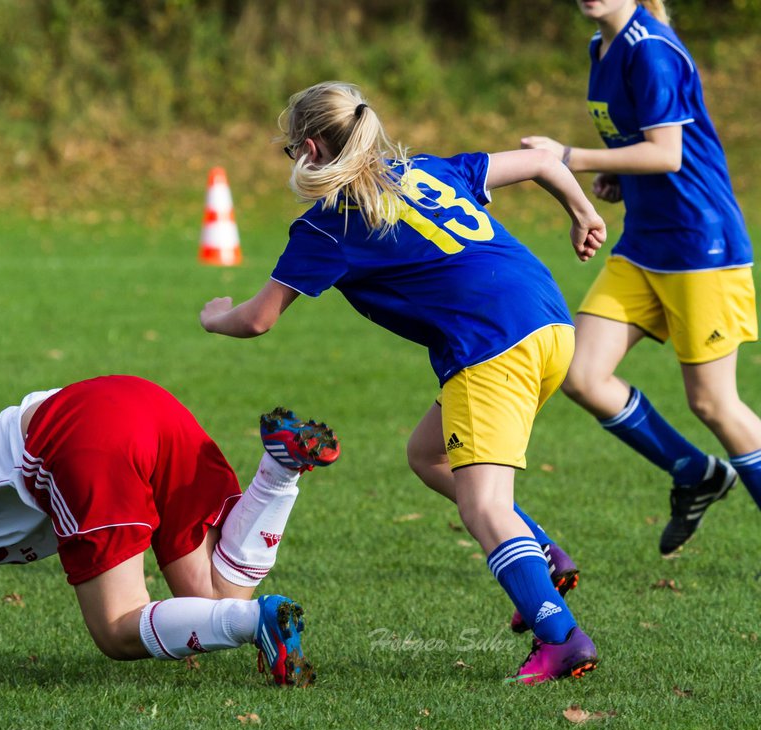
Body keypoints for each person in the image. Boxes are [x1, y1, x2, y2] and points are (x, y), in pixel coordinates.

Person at [199, 81, 607, 683]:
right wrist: (585, 214)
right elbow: (546, 162)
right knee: (427, 454)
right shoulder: (428, 171)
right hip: (549, 321)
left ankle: (561, 638)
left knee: (484, 505)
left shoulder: (329, 224)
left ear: (312, 148)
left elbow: (258, 318)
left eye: (292, 151)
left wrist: (213, 317)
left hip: (489, 345)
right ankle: (541, 553)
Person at [0, 374, 339, 687]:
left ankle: (259, 621)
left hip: (85, 432)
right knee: (209, 596)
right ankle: (278, 475)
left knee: (115, 628)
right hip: (143, 400)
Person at [521, 0, 760, 556]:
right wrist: (618, 178)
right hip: (646, 243)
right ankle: (694, 472)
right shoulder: (600, 48)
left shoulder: (649, 49)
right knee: (580, 373)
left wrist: (568, 156)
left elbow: (669, 153)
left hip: (703, 245)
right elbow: (644, 147)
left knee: (714, 403)